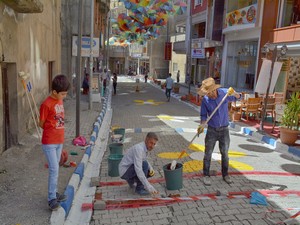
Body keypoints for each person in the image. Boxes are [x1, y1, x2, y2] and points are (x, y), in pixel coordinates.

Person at [197, 77, 241, 186]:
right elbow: (203, 115)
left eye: (209, 93)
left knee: (225, 153)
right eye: (206, 93)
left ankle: (225, 174)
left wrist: (234, 93)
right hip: (212, 130)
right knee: (208, 153)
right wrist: (202, 125)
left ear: (214, 89)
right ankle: (206, 175)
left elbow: (239, 97)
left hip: (224, 130)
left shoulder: (224, 93)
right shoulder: (206, 100)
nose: (208, 95)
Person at [39, 74, 70, 210]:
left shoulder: (59, 101)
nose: (64, 97)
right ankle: (51, 198)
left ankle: (54, 192)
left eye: (65, 94)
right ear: (54, 92)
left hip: (59, 141)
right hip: (49, 142)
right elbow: (41, 123)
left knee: (56, 168)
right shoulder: (46, 104)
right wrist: (51, 129)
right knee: (54, 169)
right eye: (62, 94)